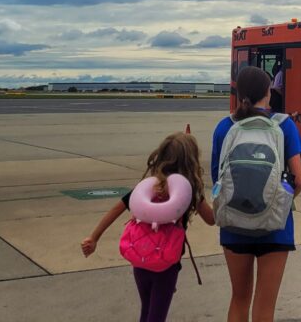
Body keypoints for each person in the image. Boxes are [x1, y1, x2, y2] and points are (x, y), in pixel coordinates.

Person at [81, 131, 215, 322]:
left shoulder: (148, 188)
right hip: (167, 265)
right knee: (157, 316)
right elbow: (211, 219)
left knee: (147, 310)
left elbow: (116, 209)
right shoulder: (189, 191)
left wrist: (94, 238)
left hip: (141, 259)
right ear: (190, 162)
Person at [212, 66, 301, 322]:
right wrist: (279, 204)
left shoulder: (224, 127)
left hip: (233, 225)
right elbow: (297, 180)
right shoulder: (284, 125)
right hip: (276, 227)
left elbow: (216, 178)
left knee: (239, 300)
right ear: (268, 93)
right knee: (265, 307)